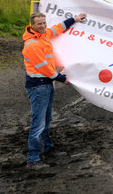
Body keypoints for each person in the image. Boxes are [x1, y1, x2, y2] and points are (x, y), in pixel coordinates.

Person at [22, 11, 87, 169]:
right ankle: (33, 158)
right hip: (38, 86)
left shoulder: (43, 34)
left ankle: (48, 148)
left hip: (45, 85)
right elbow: (43, 68)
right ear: (32, 25)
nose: (43, 26)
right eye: (39, 24)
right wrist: (61, 78)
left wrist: (74, 19)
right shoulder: (32, 44)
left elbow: (58, 28)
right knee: (38, 123)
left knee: (47, 119)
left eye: (44, 22)